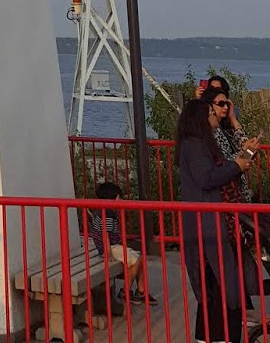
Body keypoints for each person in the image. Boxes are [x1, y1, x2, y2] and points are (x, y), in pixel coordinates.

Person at [176, 96, 257, 342]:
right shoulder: (195, 145)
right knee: (219, 285)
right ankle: (219, 337)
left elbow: (217, 170)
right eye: (213, 112)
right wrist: (236, 166)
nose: (216, 115)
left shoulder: (199, 144)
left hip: (215, 222)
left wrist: (244, 156)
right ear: (202, 118)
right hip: (210, 224)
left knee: (218, 286)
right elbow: (207, 178)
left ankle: (215, 335)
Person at [90, 181, 157, 304]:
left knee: (140, 257)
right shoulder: (107, 213)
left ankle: (141, 291)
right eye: (119, 198)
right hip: (110, 247)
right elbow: (105, 234)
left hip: (112, 246)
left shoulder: (102, 210)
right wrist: (108, 253)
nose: (121, 201)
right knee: (136, 260)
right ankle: (125, 291)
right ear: (111, 199)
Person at [197, 77, 260, 205]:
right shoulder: (207, 132)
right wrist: (245, 152)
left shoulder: (225, 128)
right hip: (225, 194)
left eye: (226, 103)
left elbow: (240, 154)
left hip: (236, 189)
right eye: (220, 104)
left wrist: (233, 119)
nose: (225, 107)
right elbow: (224, 162)